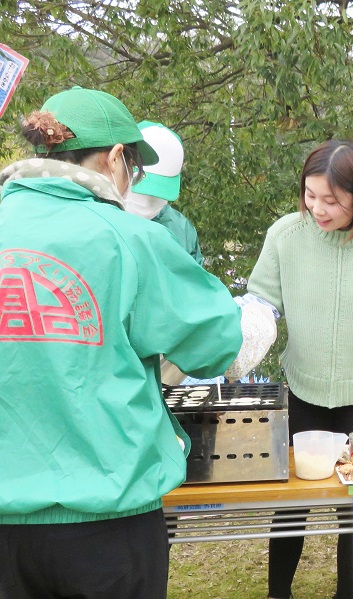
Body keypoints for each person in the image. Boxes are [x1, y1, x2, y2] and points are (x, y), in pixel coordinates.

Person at [0, 86, 243, 598]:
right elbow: (219, 343)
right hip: (108, 522)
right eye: (133, 167)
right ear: (115, 159)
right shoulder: (129, 238)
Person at [238, 140, 353, 599]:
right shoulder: (284, 235)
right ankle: (277, 593)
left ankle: (351, 594)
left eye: (332, 200)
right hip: (303, 391)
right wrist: (238, 346)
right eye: (310, 194)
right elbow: (258, 304)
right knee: (291, 507)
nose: (317, 208)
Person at [127, 121, 203, 265]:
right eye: (142, 191)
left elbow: (195, 283)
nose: (148, 200)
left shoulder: (182, 230)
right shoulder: (96, 216)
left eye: (157, 193)